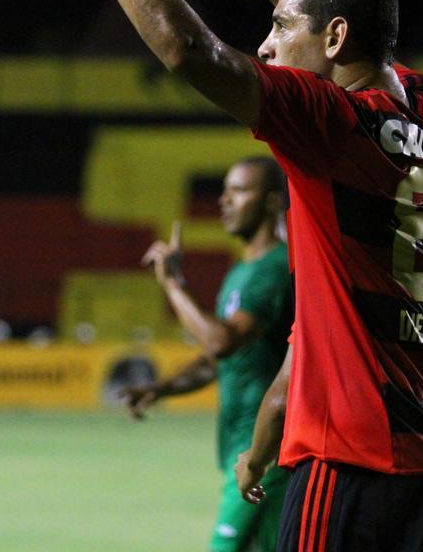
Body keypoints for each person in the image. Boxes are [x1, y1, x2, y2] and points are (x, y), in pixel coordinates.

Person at [11, 0, 423, 551]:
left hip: (356, 462)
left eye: (280, 29)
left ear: (333, 40)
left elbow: (189, 52)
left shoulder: (329, 121)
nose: (266, 44)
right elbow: (352, 32)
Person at [123, 157, 293, 552]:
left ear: (270, 202)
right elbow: (218, 360)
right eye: (224, 191)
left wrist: (172, 284)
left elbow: (220, 341)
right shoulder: (241, 272)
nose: (224, 201)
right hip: (244, 450)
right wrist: (162, 389)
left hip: (264, 450)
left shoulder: (275, 268)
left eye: (239, 190)